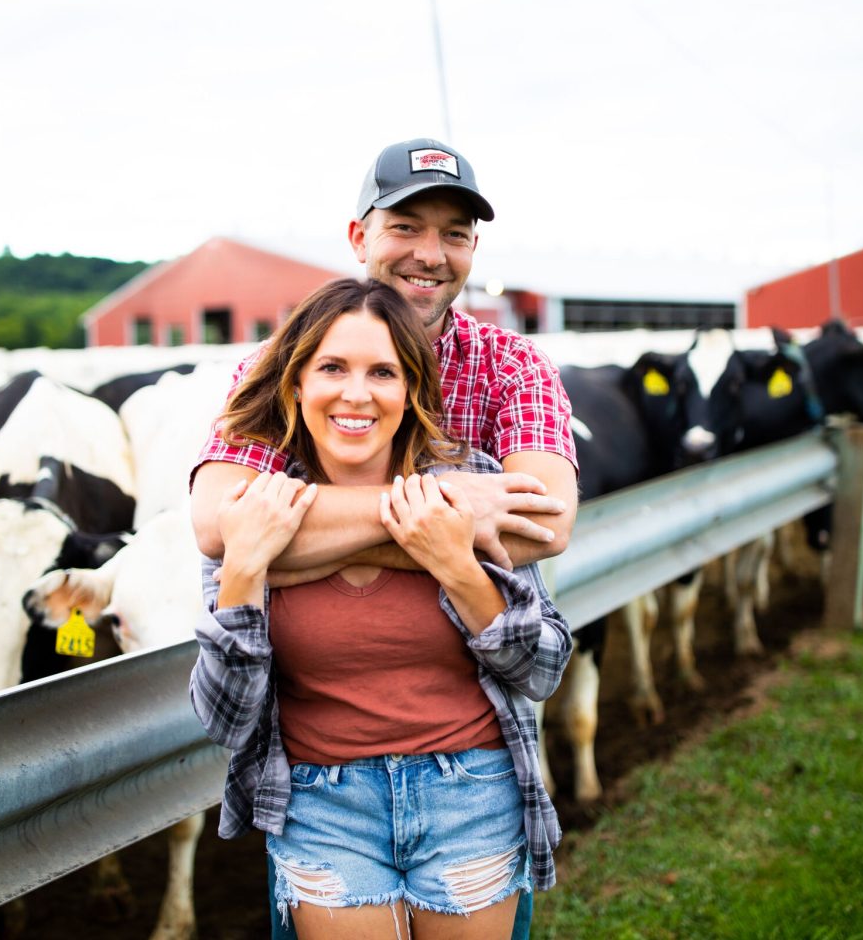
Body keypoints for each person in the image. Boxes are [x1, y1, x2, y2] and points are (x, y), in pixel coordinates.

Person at [190, 137, 579, 939]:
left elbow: (543, 524)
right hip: (323, 792)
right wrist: (441, 517)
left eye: (455, 233)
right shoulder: (281, 363)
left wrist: (306, 530)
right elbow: (221, 527)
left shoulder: (511, 365)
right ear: (358, 236)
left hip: (471, 774)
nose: (429, 254)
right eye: (406, 224)